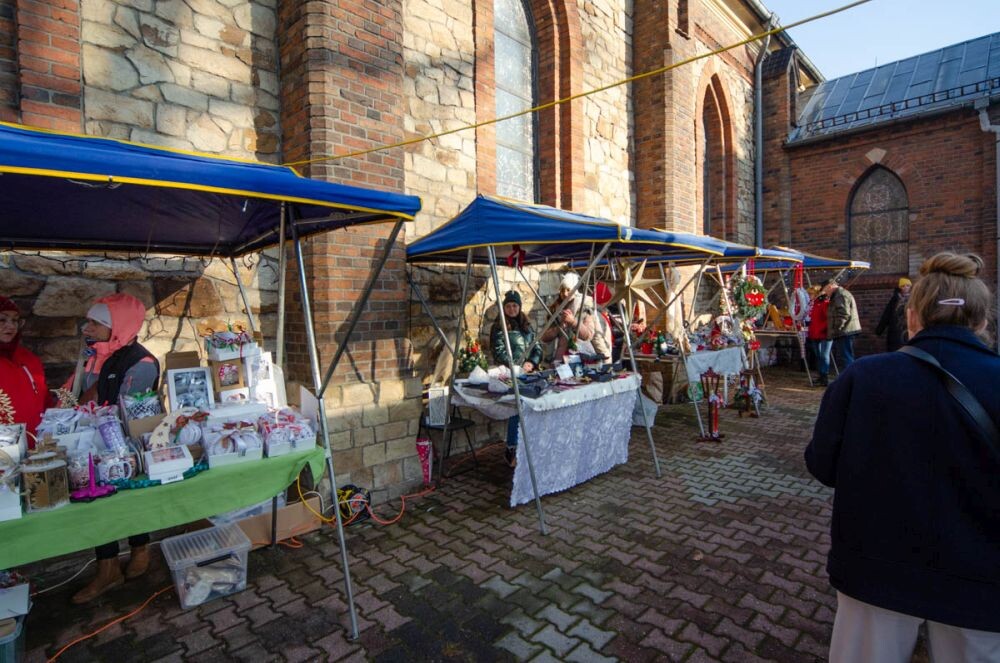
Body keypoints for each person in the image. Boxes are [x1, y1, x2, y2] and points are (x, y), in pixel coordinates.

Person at [806, 253, 1000, 661]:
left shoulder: (864, 377)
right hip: (980, 577)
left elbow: (821, 465)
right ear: (981, 321)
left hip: (876, 567)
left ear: (913, 318)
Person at [69, 293, 160, 604]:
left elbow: (130, 412)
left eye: (96, 323)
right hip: (95, 442)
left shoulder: (141, 362)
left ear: (117, 326)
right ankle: (107, 568)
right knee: (100, 504)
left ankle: (140, 548)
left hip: (125, 445)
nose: (87, 327)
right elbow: (82, 391)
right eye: (89, 321)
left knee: (131, 501)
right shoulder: (96, 353)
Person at [490, 290, 542, 468]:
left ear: (519, 307)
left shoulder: (527, 325)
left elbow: (537, 348)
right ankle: (511, 448)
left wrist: (531, 363)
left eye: (515, 305)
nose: (512, 309)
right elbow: (499, 352)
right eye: (508, 306)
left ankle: (530, 446)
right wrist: (517, 367)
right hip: (512, 375)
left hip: (529, 373)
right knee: (516, 410)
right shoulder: (499, 327)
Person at [0, 296, 47, 437]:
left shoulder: (29, 359)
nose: (11, 326)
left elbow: (44, 402)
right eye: (2, 320)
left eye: (15, 320)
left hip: (37, 447)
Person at [539, 272, 611, 364]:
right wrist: (559, 328)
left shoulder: (585, 306)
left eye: (568, 290)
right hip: (566, 356)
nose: (565, 294)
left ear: (574, 290)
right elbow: (544, 337)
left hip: (592, 355)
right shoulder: (558, 308)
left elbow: (588, 335)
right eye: (562, 290)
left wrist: (573, 322)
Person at [823, 279, 860, 370]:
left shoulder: (840, 295)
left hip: (845, 331)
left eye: (825, 290)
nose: (826, 293)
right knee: (846, 356)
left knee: (846, 357)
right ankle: (849, 378)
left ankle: (849, 380)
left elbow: (843, 314)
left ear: (830, 286)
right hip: (846, 330)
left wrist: (837, 328)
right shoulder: (840, 294)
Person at [875, 277, 911, 352]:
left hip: (908, 329)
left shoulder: (914, 299)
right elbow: (886, 315)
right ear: (900, 287)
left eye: (907, 286)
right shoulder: (894, 300)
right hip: (895, 330)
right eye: (903, 286)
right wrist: (879, 330)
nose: (905, 288)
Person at [806, 289, 832, 386]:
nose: (809, 296)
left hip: (824, 333)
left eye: (811, 294)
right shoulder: (815, 304)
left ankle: (824, 376)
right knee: (819, 355)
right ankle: (821, 375)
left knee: (824, 356)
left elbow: (828, 318)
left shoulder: (824, 303)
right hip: (816, 333)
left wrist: (823, 328)